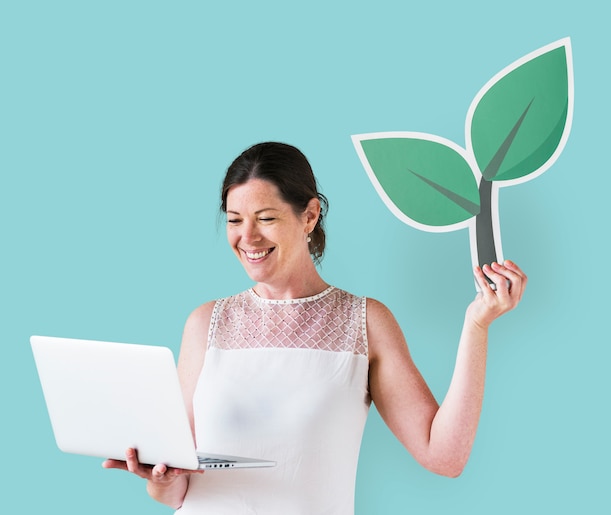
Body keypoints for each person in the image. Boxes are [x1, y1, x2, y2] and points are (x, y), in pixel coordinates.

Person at [103, 141, 527, 513]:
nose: (246, 237)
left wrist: (477, 326)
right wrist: (159, 479)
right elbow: (177, 491)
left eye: (265, 218)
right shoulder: (205, 324)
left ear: (309, 215)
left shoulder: (364, 322)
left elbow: (445, 456)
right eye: (234, 220)